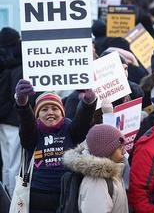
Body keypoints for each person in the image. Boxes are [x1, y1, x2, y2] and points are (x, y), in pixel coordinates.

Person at [14, 79, 97, 213]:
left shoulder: (69, 127)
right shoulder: (33, 130)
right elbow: (26, 122)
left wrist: (88, 103)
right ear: (37, 115)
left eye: (55, 108)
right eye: (44, 110)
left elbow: (83, 121)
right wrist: (22, 104)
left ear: (62, 112)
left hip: (68, 194)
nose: (50, 112)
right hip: (38, 195)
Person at [63, 124, 128, 213]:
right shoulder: (97, 182)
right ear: (106, 151)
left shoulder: (113, 172)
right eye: (120, 148)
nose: (124, 152)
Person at [0, 27, 23, 196]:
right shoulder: (18, 64)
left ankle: (6, 197)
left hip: (2, 119)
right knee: (15, 162)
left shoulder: (3, 62)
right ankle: (14, 199)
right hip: (14, 119)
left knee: (7, 161)